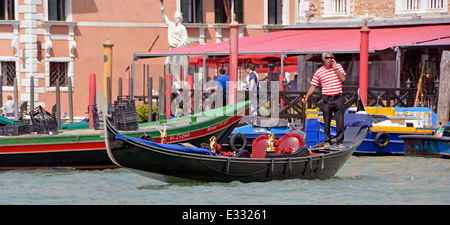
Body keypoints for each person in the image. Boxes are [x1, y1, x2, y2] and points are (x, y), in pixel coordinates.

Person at [301, 52, 346, 150]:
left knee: (340, 121)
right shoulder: (319, 72)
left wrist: (336, 68)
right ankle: (327, 141)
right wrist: (307, 97)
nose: (330, 59)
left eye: (331, 57)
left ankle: (340, 142)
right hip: (327, 99)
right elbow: (313, 86)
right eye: (328, 58)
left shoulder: (338, 67)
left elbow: (343, 78)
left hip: (338, 98)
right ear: (323, 59)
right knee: (326, 121)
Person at [161, 2, 190, 89]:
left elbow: (185, 39)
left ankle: (178, 81)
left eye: (177, 18)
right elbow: (165, 20)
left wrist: (180, 45)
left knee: (180, 66)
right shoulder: (172, 25)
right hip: (172, 49)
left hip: (179, 50)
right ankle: (172, 80)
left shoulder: (182, 28)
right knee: (167, 64)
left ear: (180, 19)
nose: (175, 19)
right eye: (174, 18)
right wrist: (162, 11)